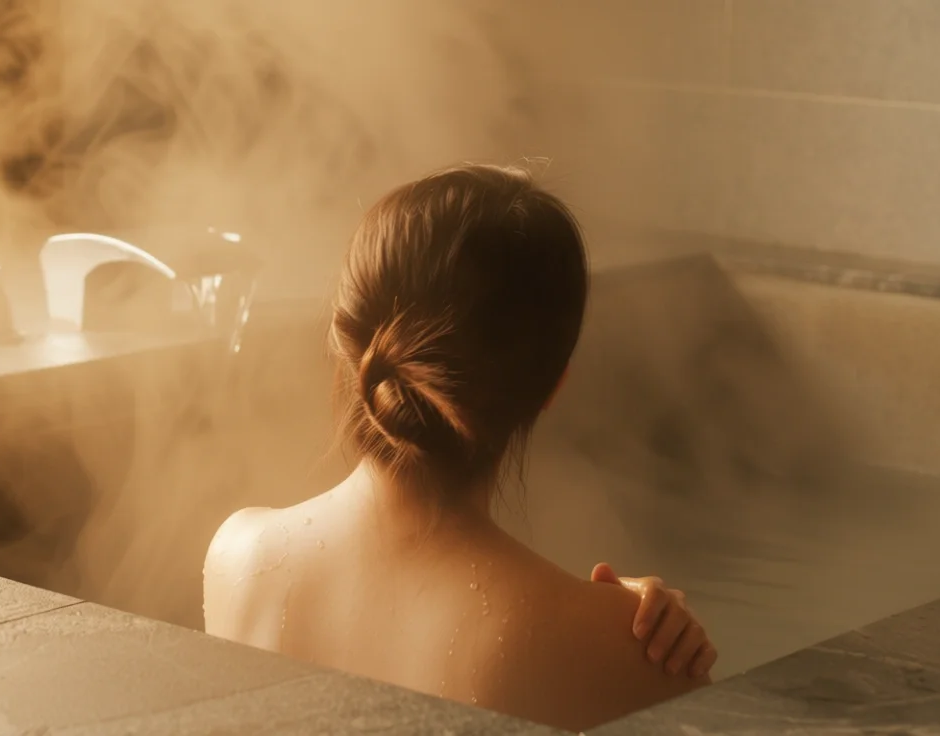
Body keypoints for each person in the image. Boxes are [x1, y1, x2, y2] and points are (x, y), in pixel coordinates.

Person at [203, 164, 716, 732]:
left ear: (343, 339)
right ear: (552, 387)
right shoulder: (623, 648)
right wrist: (620, 622)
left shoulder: (239, 557)